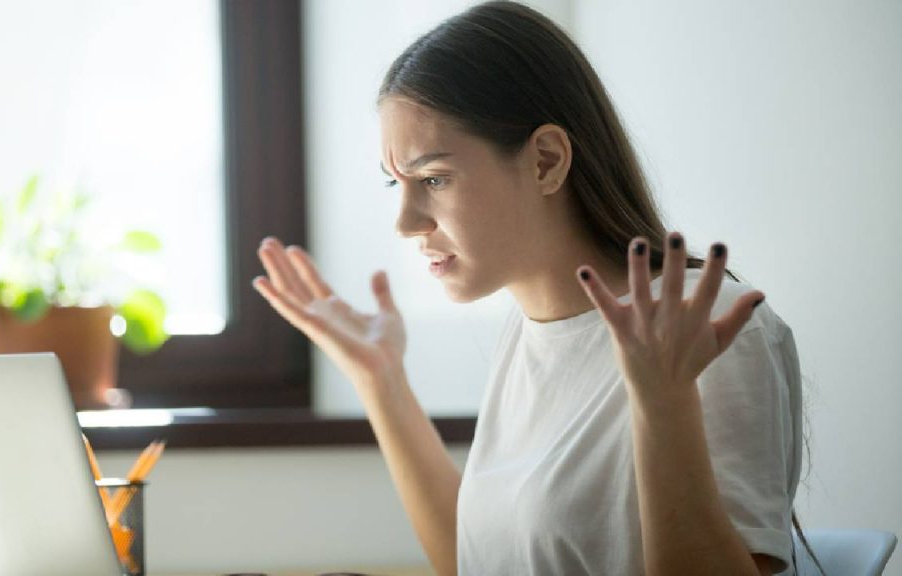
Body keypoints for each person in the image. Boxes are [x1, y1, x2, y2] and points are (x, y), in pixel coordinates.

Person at [252, 1, 804, 574]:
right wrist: (380, 379)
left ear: (545, 161)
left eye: (433, 178)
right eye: (397, 182)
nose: (406, 222)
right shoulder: (531, 329)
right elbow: (476, 562)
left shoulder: (704, 322)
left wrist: (663, 405)